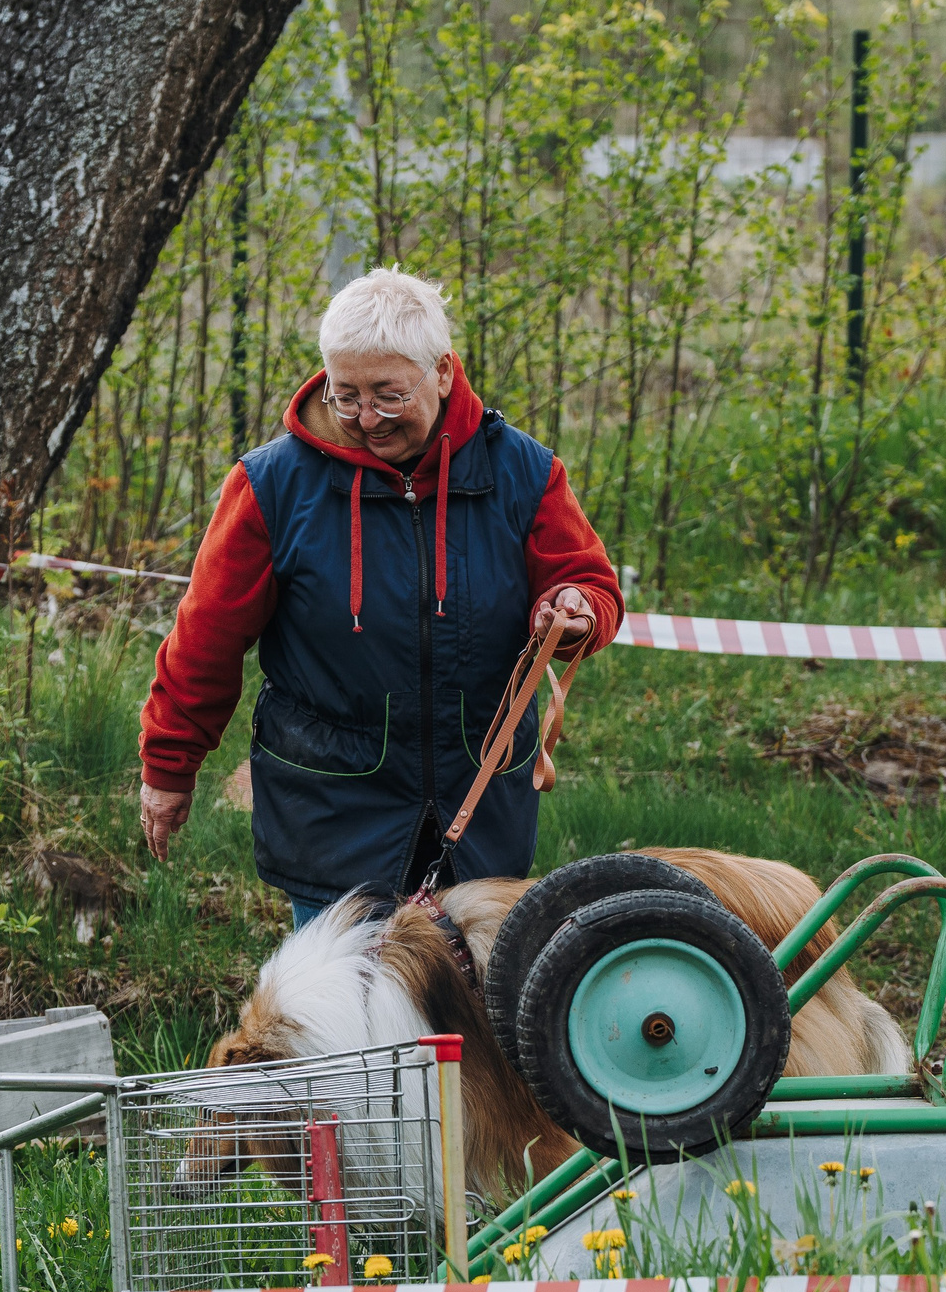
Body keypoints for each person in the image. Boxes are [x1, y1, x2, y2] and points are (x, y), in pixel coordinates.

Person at [139, 268, 623, 927]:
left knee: (472, 1016)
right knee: (343, 1021)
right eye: (348, 396)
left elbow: (592, 584)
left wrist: (575, 608)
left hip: (478, 812)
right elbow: (206, 638)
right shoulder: (272, 486)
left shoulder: (523, 472)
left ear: (444, 373)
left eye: (389, 395)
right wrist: (169, 766)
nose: (367, 418)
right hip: (332, 811)